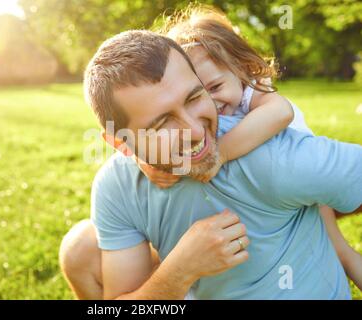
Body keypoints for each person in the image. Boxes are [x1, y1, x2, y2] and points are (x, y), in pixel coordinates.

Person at [60, 29, 362, 299]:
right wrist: (180, 270)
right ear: (121, 143)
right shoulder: (118, 185)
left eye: (194, 97)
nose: (194, 131)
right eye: (163, 122)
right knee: (79, 246)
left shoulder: (268, 157)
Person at [136, 6, 362, 291]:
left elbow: (282, 113)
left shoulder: (254, 93)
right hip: (274, 200)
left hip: (303, 179)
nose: (209, 103)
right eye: (195, 94)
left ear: (245, 70)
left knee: (340, 250)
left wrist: (221, 155)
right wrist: (146, 161)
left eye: (215, 87)